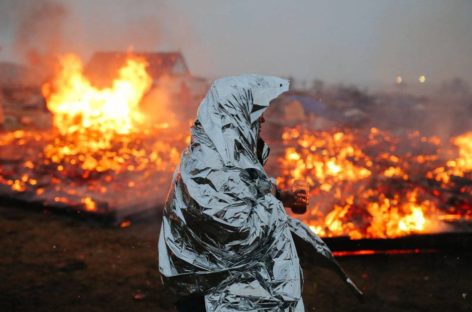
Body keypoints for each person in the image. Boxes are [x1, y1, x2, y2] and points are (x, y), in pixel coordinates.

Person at [158, 75, 363, 311]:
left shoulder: (222, 157)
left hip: (227, 290)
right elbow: (240, 232)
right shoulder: (212, 166)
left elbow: (241, 193)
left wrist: (278, 195)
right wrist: (274, 206)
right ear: (234, 117)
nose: (263, 118)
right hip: (214, 297)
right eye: (255, 111)